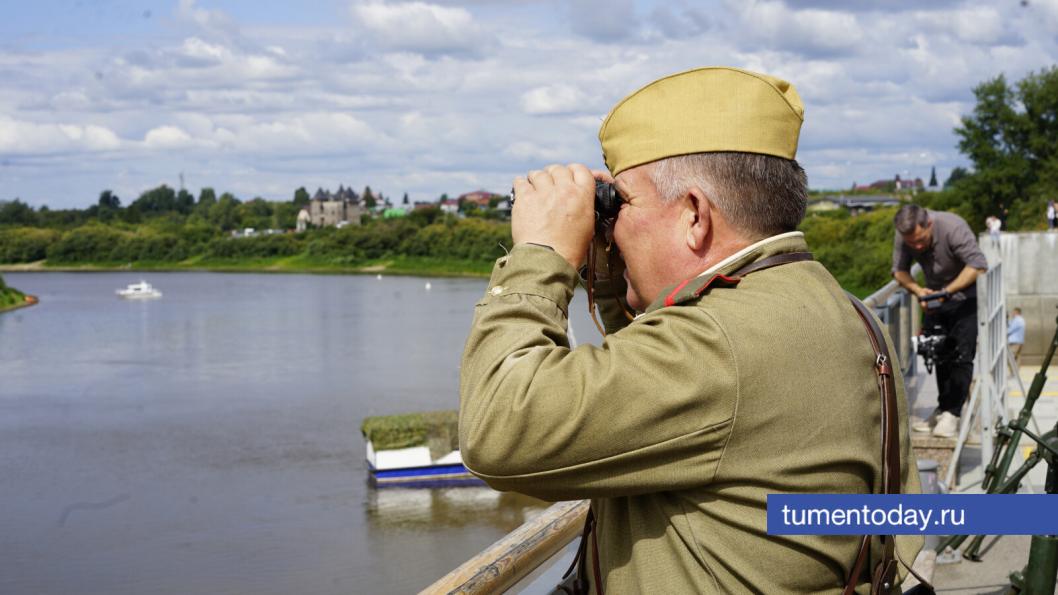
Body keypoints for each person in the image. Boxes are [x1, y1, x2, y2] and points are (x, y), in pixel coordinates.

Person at [460, 67, 922, 594]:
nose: (607, 225)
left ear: (695, 215)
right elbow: (654, 383)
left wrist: (540, 256)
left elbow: (498, 430)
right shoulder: (842, 311)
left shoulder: (717, 346)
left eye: (620, 205)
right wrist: (612, 275)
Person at [892, 205, 988, 438]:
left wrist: (946, 292)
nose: (916, 246)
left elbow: (978, 264)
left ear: (929, 225)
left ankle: (952, 414)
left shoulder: (953, 227)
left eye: (920, 240)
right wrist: (918, 291)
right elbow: (899, 271)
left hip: (965, 296)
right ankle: (943, 408)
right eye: (911, 242)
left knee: (961, 355)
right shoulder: (904, 234)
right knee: (938, 353)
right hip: (933, 298)